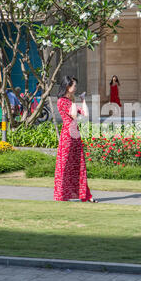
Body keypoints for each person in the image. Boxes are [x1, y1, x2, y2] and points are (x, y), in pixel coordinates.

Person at [54, 75, 97, 203]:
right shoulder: (62, 101)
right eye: (74, 85)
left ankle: (86, 195)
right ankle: (62, 195)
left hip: (75, 134)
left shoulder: (70, 101)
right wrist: (73, 101)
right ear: (68, 87)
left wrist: (83, 100)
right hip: (68, 135)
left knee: (79, 165)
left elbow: (86, 114)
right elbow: (73, 115)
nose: (76, 87)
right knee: (65, 164)